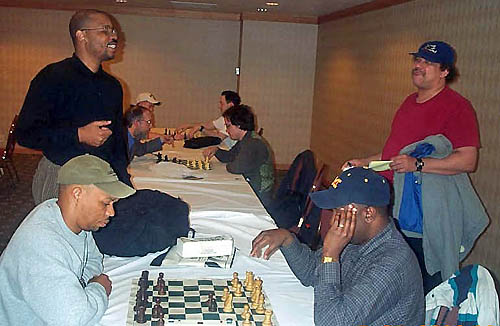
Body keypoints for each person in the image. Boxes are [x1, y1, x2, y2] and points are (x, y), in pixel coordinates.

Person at [342, 41, 481, 292]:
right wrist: (365, 163)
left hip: (423, 217)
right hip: (392, 207)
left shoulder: (457, 107)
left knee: (421, 284)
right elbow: (396, 157)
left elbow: (468, 160)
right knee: (393, 279)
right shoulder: (409, 103)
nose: (418, 66)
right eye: (417, 60)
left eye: (428, 63)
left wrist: (418, 164)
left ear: (445, 71)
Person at [251, 167, 424, 326]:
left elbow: (330, 322)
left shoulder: (392, 264)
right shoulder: (359, 238)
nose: (333, 221)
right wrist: (287, 239)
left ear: (369, 214)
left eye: (338, 212)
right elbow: (312, 272)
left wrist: (330, 255)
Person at [0, 154, 136, 325]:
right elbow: (73, 318)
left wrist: (75, 288)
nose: (111, 212)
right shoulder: (42, 244)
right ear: (77, 193)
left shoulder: (73, 220)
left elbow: (94, 260)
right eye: (105, 203)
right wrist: (99, 287)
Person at [16, 9, 130, 205]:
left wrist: (124, 184)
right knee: (57, 235)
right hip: (61, 176)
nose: (114, 36)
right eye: (105, 30)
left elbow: (118, 143)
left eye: (114, 31)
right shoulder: (53, 77)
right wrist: (78, 135)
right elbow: (26, 134)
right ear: (81, 35)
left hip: (103, 177)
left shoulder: (113, 86)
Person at [203, 105, 274, 207]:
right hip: (251, 185)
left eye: (228, 126)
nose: (226, 130)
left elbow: (236, 167)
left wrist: (232, 162)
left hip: (259, 195)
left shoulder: (253, 143)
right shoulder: (246, 138)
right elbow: (230, 156)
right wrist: (216, 150)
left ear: (239, 125)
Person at [175, 90, 241, 146]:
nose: (219, 106)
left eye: (222, 103)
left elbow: (218, 137)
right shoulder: (224, 118)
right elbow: (208, 125)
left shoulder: (234, 120)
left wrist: (201, 129)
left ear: (231, 105)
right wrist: (188, 125)